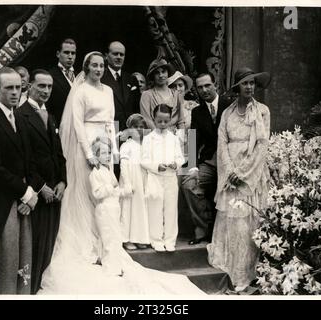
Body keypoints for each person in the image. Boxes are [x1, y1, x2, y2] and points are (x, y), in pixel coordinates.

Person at [38, 52, 205, 296]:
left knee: (109, 195)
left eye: (101, 65)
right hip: (85, 144)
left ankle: (105, 243)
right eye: (93, 65)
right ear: (86, 68)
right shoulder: (82, 91)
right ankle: (86, 244)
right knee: (86, 194)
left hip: (106, 144)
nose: (98, 69)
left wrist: (112, 153)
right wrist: (88, 153)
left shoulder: (107, 91)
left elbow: (110, 122)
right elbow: (76, 123)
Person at [0, 67, 44, 294]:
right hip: (1, 201)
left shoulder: (19, 117)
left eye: (18, 87)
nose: (15, 92)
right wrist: (25, 191)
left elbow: (30, 160)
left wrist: (31, 192)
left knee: (23, 262)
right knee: (5, 262)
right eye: (9, 88)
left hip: (23, 201)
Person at [207, 67, 271, 292]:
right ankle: (231, 270)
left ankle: (246, 273)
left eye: (252, 83)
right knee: (232, 224)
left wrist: (242, 172)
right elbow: (221, 143)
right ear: (237, 87)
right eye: (245, 83)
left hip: (251, 174)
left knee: (247, 225)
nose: (250, 87)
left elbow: (262, 145)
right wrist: (229, 171)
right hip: (230, 174)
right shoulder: (228, 113)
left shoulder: (262, 111)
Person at [16, 69, 67, 294]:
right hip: (36, 193)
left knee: (49, 244)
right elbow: (24, 158)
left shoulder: (51, 115)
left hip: (54, 191)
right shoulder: (21, 115)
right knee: (34, 245)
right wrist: (40, 187)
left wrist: (62, 182)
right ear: (30, 87)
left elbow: (58, 153)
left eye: (49, 87)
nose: (46, 91)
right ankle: (31, 290)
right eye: (41, 86)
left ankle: (40, 289)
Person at [181, 73, 231, 246]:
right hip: (210, 161)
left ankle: (226, 234)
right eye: (200, 87)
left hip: (231, 161)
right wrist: (193, 166)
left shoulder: (230, 105)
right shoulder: (197, 111)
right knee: (189, 184)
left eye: (207, 85)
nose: (204, 90)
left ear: (215, 84)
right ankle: (203, 230)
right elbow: (194, 139)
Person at [141, 104, 185, 252]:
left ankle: (170, 239)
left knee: (171, 208)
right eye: (159, 121)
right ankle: (156, 239)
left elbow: (180, 157)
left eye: (166, 121)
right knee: (155, 208)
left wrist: (176, 164)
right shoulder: (148, 139)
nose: (162, 124)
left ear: (170, 120)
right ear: (154, 119)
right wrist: (156, 166)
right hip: (155, 177)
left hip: (170, 177)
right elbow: (144, 160)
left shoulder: (173, 138)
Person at [89, 136, 132, 276]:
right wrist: (109, 186)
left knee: (114, 237)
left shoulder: (109, 171)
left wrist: (124, 191)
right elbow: (97, 193)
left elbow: (115, 190)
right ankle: (110, 268)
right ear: (96, 156)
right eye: (103, 153)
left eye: (108, 153)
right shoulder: (95, 174)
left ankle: (112, 263)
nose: (107, 156)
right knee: (108, 237)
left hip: (113, 208)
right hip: (104, 209)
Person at [119, 114, 150, 250]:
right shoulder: (127, 145)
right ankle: (126, 238)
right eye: (135, 127)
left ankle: (139, 237)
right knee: (128, 208)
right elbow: (123, 165)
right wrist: (127, 183)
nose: (138, 130)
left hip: (142, 179)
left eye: (141, 127)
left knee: (140, 209)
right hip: (131, 179)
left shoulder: (146, 145)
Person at [101, 41, 140, 132]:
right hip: (109, 129)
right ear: (106, 56)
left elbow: (136, 107)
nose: (119, 57)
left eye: (121, 54)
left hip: (130, 129)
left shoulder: (131, 79)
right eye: (115, 54)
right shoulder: (101, 78)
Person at [140, 59, 185, 132]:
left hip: (175, 138)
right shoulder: (147, 95)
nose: (161, 75)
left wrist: (181, 139)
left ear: (168, 73)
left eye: (163, 72)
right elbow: (147, 120)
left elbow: (181, 121)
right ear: (153, 76)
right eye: (157, 73)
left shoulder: (176, 95)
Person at [47, 38, 77, 125]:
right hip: (60, 125)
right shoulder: (50, 76)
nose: (70, 56)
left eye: (73, 53)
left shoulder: (80, 76)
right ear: (58, 54)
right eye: (66, 52)